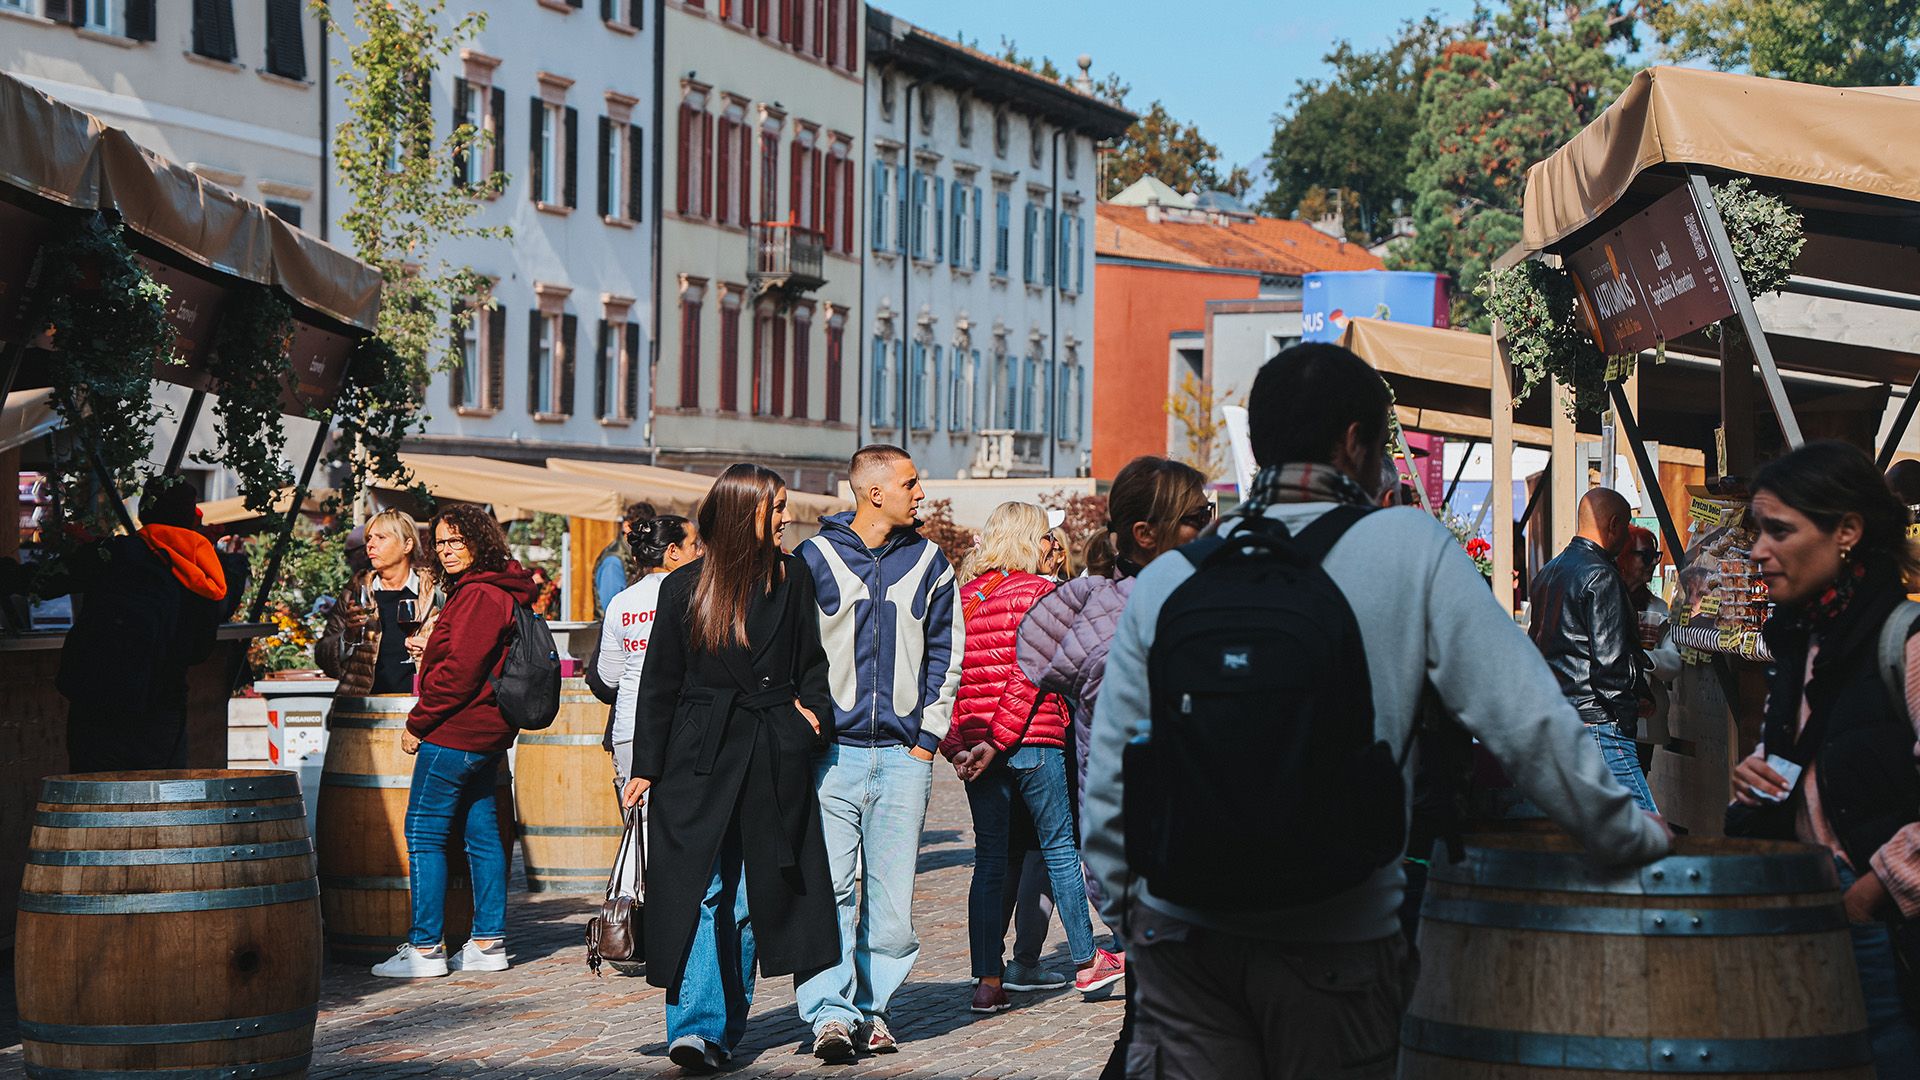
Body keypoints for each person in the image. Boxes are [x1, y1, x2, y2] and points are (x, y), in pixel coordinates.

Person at [1083, 342, 1670, 1078]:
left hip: (1183, 943)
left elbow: (1110, 780)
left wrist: (1139, 917)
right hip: (1336, 938)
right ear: (1356, 443)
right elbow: (1529, 722)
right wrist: (1624, 835)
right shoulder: (1408, 546)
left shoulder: (1171, 577)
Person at [626, 464, 838, 1073]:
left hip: (772, 748)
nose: (786, 518)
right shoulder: (683, 586)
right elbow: (658, 685)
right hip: (699, 753)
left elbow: (813, 663)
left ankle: (722, 1027)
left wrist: (812, 720)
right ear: (747, 513)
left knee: (750, 895)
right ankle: (695, 1027)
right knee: (702, 889)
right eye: (775, 508)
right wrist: (647, 765)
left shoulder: (792, 578)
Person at [1729, 441, 1920, 1076]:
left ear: (1847, 533)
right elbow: (1807, 765)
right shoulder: (1801, 638)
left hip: (1884, 932)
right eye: (1758, 530)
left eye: (1779, 530)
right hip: (1803, 909)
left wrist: (1871, 894)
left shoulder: (1903, 642)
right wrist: (1756, 781)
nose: (1758, 550)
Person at [1017, 456, 1209, 1077]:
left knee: (1153, 1030)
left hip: (1153, 864)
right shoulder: (1134, 627)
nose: (1208, 528)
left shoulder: (1124, 608)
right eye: (1196, 518)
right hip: (1162, 865)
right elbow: (1122, 769)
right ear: (1147, 534)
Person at [790, 445, 962, 1059]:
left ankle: (873, 1008)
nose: (921, 493)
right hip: (829, 756)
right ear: (874, 492)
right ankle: (829, 1015)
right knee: (828, 889)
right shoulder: (811, 559)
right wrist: (803, 724)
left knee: (891, 900)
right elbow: (790, 649)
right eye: (910, 483)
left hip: (901, 756)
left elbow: (949, 653)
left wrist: (925, 742)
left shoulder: (932, 563)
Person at [943, 500, 1122, 1015]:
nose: (1051, 545)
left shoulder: (966, 597)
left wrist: (958, 746)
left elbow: (946, 678)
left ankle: (987, 981)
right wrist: (1000, 740)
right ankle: (1088, 961)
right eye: (1045, 536)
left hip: (977, 746)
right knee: (1060, 847)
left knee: (991, 861)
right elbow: (1029, 676)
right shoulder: (1042, 593)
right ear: (1026, 538)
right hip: (1032, 739)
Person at [372, 505, 534, 980]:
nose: (445, 550)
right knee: (484, 838)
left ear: (480, 541)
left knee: (424, 833)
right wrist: (436, 644)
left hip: (457, 730)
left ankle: (424, 947)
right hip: (487, 733)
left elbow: (460, 675)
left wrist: (417, 723)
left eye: (455, 541)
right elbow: (472, 657)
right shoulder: (495, 590)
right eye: (440, 542)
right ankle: (487, 942)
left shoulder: (480, 595)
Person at [57, 475, 227, 772]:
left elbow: (47, 580)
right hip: (162, 706)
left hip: (97, 703)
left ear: (144, 513)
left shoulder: (115, 554)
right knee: (160, 802)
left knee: (93, 802)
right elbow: (199, 649)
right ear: (190, 519)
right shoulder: (205, 572)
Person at [596, 514, 700, 920]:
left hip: (630, 729)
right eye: (694, 546)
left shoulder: (622, 602)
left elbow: (607, 675)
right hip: (681, 724)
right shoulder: (693, 595)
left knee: (637, 832)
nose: (699, 553)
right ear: (672, 552)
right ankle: (677, 919)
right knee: (681, 831)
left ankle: (636, 924)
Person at [1528, 487, 1657, 812]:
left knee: (1591, 833)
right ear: (1613, 525)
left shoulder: (1549, 572)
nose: (1627, 538)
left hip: (1561, 722)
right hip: (1599, 724)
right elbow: (1610, 665)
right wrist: (1625, 716)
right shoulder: (1601, 576)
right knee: (1643, 828)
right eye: (1626, 527)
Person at [316, 509, 441, 696]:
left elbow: (458, 649)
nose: (371, 545)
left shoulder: (435, 591)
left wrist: (431, 649)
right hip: (366, 709)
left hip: (423, 706)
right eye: (369, 538)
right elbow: (323, 656)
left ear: (407, 545)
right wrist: (348, 635)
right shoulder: (357, 591)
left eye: (381, 538)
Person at [1616, 524, 1679, 773]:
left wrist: (1644, 657)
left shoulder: (1658, 609)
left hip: (1645, 718)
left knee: (1638, 781)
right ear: (1623, 556)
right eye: (1645, 556)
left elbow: (1674, 663)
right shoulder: (1603, 600)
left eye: (1655, 556)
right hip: (1607, 720)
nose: (1652, 563)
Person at [596, 501, 659, 618]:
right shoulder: (613, 561)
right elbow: (612, 608)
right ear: (626, 526)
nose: (644, 534)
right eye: (639, 528)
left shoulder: (635, 554)